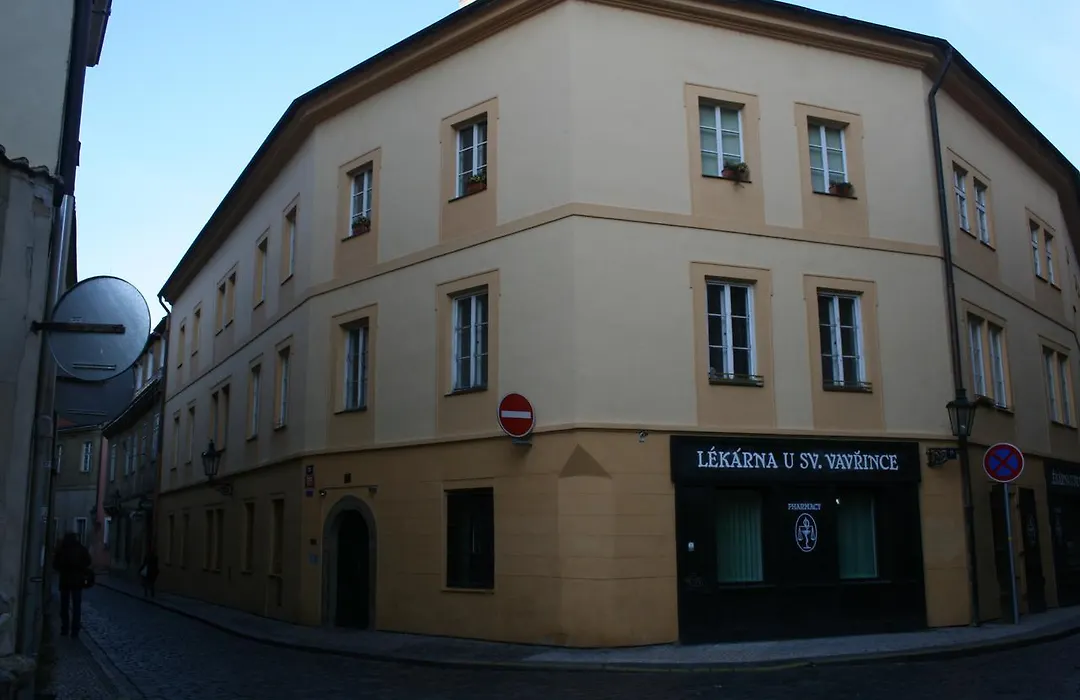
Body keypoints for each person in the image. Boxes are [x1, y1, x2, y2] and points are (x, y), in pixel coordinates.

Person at [52, 532, 91, 639]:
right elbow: (88, 561)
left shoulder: (62, 549)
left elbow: (55, 564)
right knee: (76, 606)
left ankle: (65, 628)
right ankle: (75, 630)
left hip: (65, 581)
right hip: (77, 581)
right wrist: (80, 568)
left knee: (64, 606)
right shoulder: (80, 548)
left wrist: (63, 569)